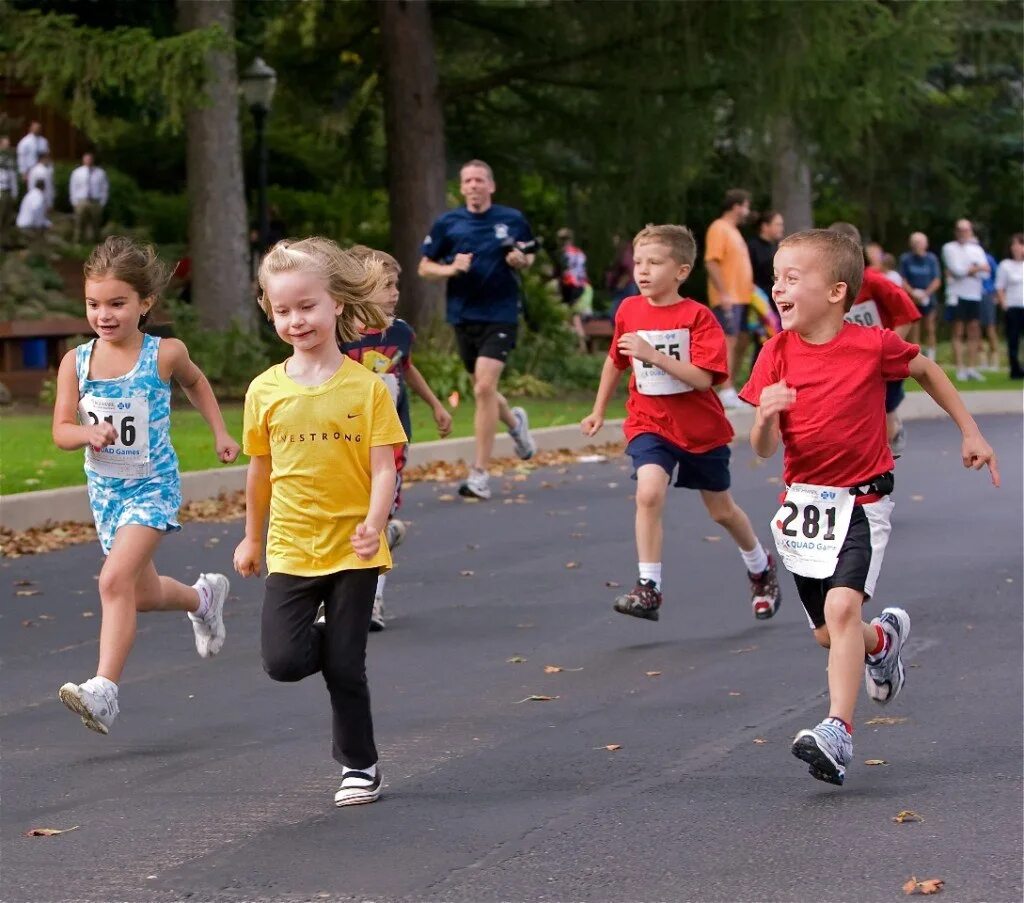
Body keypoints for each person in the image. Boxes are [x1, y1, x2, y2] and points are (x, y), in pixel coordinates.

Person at [740, 228, 999, 786]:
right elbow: (762, 451)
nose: (777, 288)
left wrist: (970, 431)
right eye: (775, 277)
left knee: (840, 613)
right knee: (832, 634)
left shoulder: (871, 345)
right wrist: (764, 416)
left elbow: (927, 369)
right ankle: (883, 642)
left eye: (791, 277)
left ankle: (838, 732)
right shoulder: (774, 354)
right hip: (803, 508)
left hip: (862, 499)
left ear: (836, 292)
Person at [233, 237, 407, 807]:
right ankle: (335, 643)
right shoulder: (265, 390)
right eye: (282, 310)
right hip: (291, 546)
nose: (295, 320)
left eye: (307, 306)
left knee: (345, 668)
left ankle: (360, 766)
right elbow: (260, 473)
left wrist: (375, 522)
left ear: (336, 304)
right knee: (283, 661)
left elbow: (385, 469)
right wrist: (251, 537)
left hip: (355, 550)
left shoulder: (367, 387)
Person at [51, 236, 240, 735]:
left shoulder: (165, 354)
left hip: (152, 488)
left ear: (145, 303)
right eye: (94, 304)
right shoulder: (76, 361)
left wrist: (221, 430)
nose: (104, 314)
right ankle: (203, 599)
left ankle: (104, 691)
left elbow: (197, 383)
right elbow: (60, 430)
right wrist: (86, 433)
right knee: (142, 593)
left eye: (117, 303)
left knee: (112, 583)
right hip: (107, 494)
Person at [581, 224, 781, 623]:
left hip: (700, 430)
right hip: (649, 422)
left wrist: (653, 355)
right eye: (638, 262)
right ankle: (648, 587)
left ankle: (760, 568)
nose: (643, 270)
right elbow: (616, 360)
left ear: (682, 271)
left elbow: (705, 378)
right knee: (649, 492)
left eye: (655, 262)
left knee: (722, 511)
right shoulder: (629, 310)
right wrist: (599, 408)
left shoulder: (697, 317)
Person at [341, 245, 453, 630]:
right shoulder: (338, 335)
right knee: (351, 514)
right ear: (358, 288)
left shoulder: (400, 333)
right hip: (347, 440)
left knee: (379, 509)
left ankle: (372, 600)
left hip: (391, 439)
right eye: (386, 285)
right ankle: (382, 534)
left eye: (396, 284)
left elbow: (407, 369)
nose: (395, 292)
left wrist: (437, 405)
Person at [418, 159, 537, 500]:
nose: (473, 185)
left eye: (479, 180)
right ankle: (516, 425)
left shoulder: (511, 219)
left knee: (484, 387)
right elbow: (424, 267)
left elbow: (528, 255)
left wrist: (520, 260)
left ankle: (480, 474)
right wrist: (451, 268)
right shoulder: (448, 224)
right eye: (467, 180)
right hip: (463, 314)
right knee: (482, 388)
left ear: (491, 185)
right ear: (462, 187)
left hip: (501, 312)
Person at [828, 223, 920, 455]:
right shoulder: (829, 287)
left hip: (884, 360)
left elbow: (907, 315)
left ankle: (887, 450)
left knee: (886, 410)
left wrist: (885, 350)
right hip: (852, 361)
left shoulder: (875, 282)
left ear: (859, 253)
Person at [704, 188, 753, 407]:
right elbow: (711, 261)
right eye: (746, 206)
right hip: (728, 297)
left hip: (742, 296)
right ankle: (725, 389)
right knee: (728, 340)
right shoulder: (719, 228)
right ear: (736, 206)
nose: (748, 211)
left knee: (741, 339)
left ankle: (730, 386)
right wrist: (723, 292)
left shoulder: (734, 231)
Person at [941, 219, 990, 381]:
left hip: (974, 294)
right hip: (957, 294)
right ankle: (960, 368)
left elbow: (986, 273)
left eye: (966, 230)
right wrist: (975, 269)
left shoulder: (977, 249)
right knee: (958, 330)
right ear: (956, 232)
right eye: (960, 230)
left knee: (974, 330)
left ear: (971, 232)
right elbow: (957, 270)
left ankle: (971, 367)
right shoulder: (949, 248)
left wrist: (971, 270)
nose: (963, 233)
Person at [898, 232, 942, 360]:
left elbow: (937, 280)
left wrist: (926, 293)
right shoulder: (906, 259)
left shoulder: (931, 259)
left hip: (928, 298)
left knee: (930, 327)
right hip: (912, 299)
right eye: (915, 243)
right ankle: (916, 357)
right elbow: (902, 279)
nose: (918, 245)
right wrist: (913, 293)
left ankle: (932, 357)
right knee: (914, 329)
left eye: (920, 242)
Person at [556, 227, 591, 352]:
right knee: (573, 317)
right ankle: (580, 345)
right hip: (580, 286)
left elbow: (562, 272)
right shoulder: (579, 252)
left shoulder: (563, 253)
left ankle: (579, 345)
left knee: (570, 317)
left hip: (568, 286)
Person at [996, 233, 1024, 380]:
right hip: (1013, 306)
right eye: (1013, 244)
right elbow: (1000, 287)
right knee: (1013, 340)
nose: (1016, 247)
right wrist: (1004, 305)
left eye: (1019, 244)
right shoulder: (1005, 265)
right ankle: (1015, 369)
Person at [69, 151, 110, 244]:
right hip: (82, 201)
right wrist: (74, 202)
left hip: (95, 201)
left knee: (96, 225)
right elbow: (73, 187)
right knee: (79, 224)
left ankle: (96, 246)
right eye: (86, 159)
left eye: (90, 159)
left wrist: (103, 202)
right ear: (83, 160)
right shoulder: (77, 172)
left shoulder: (100, 173)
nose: (88, 161)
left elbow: (105, 188)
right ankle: (77, 244)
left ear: (93, 160)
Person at [747, 210, 784, 307]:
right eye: (778, 225)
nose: (781, 228)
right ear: (765, 226)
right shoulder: (752, 246)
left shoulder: (777, 246)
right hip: (758, 301)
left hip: (776, 299)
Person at [606, 233, 638, 322]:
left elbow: (627, 267)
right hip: (625, 285)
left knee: (615, 314)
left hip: (625, 286)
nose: (613, 241)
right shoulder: (626, 251)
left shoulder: (624, 251)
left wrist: (621, 283)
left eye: (615, 238)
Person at [979, 247, 1001, 373]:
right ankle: (982, 361)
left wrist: (996, 295)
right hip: (974, 295)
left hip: (987, 294)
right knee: (977, 330)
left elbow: (997, 277)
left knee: (990, 328)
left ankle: (994, 359)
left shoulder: (988, 259)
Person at [16, 177, 50, 250]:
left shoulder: (30, 194)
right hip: (28, 226)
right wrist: (43, 224)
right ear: (43, 187)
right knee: (40, 241)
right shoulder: (38, 196)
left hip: (22, 223)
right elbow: (36, 211)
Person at [0, 136, 18, 249]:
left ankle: (5, 242)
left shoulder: (10, 160)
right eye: (5, 144)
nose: (7, 146)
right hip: (0, 190)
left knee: (7, 218)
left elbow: (13, 177)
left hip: (8, 191)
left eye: (9, 144)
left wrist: (14, 193)